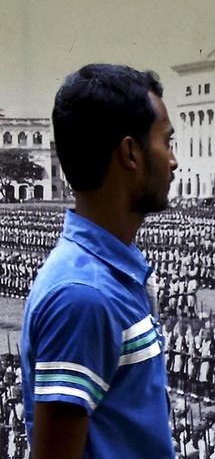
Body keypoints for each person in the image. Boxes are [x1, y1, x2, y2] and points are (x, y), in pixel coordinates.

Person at [20, 63, 178, 458]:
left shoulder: (109, 276)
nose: (174, 160)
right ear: (130, 153)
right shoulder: (84, 297)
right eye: (166, 141)